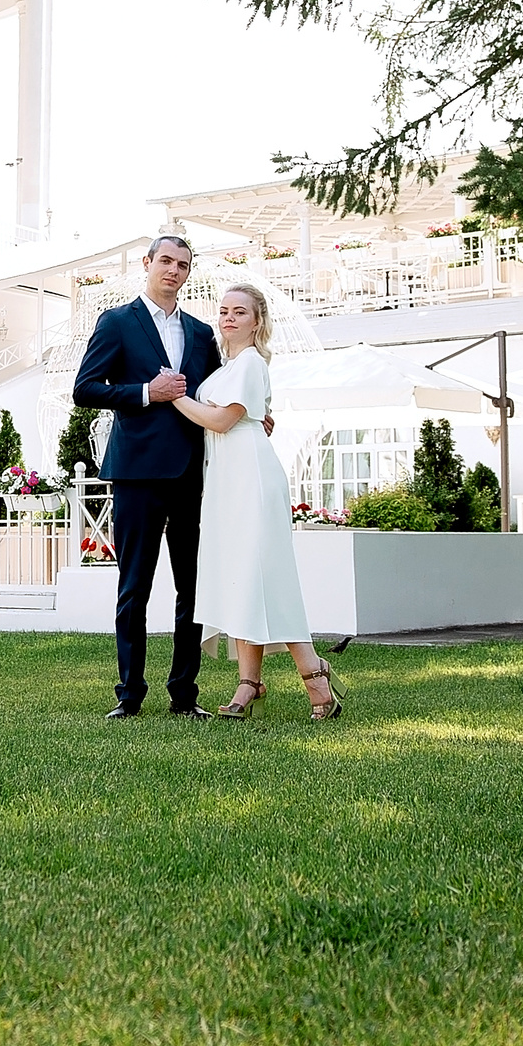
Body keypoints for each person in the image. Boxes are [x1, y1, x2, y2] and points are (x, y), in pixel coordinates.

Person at [169, 283, 343, 720]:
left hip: (250, 476)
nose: (229, 317)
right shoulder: (228, 367)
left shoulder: (249, 363)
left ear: (257, 321)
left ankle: (313, 673)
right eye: (224, 310)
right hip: (228, 480)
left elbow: (223, 420)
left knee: (265, 576)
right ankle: (249, 682)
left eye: (240, 312)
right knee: (243, 579)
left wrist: (175, 397)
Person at [73, 236, 220, 718]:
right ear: (147, 264)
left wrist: (252, 414)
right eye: (166, 261)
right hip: (136, 472)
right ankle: (129, 695)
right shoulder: (117, 322)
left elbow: (216, 394)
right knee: (134, 586)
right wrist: (145, 392)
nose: (173, 271)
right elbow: (85, 389)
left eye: (183, 265)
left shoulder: (201, 333)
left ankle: (185, 695)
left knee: (191, 588)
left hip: (190, 475)